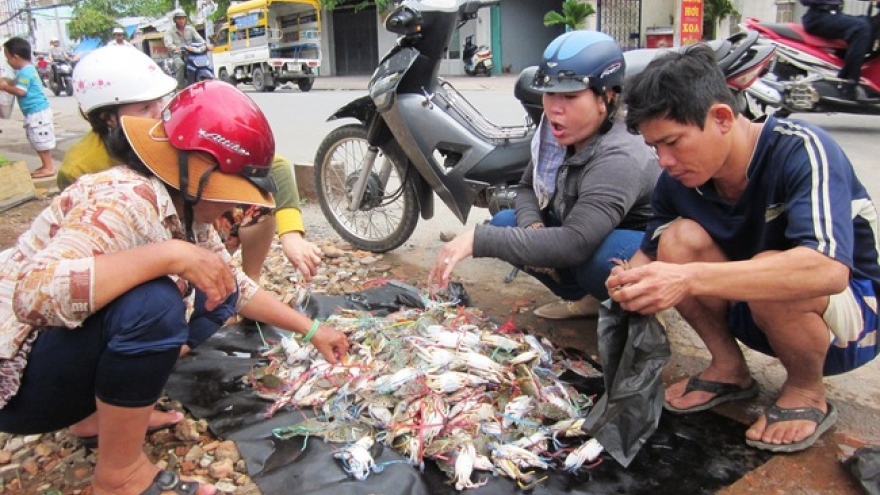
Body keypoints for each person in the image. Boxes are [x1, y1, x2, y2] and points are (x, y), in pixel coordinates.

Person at [0, 80, 350, 495]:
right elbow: (32, 294)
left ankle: (105, 415)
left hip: (57, 362)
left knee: (214, 286)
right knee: (155, 303)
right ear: (197, 171)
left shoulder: (182, 208)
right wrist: (167, 256)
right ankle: (119, 478)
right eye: (232, 191)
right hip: (20, 387)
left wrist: (312, 331)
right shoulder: (122, 198)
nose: (235, 208)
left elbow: (235, 285)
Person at [609, 43, 880, 453]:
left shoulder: (801, 149)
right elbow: (651, 252)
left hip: (850, 321)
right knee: (677, 241)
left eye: (673, 142)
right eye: (654, 148)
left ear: (720, 117)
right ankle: (728, 368)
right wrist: (629, 278)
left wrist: (686, 278)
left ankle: (807, 391)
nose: (663, 161)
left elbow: (827, 270)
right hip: (756, 313)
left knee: (777, 268)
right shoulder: (679, 179)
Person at [429, 31, 658, 320]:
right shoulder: (557, 131)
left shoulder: (620, 153)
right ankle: (591, 299)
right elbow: (526, 187)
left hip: (634, 245)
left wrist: (479, 239)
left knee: (597, 260)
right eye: (550, 94)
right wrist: (533, 227)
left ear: (606, 97)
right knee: (505, 223)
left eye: (571, 96)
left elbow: (575, 243)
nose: (554, 109)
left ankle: (636, 305)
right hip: (582, 232)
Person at [61, 46, 323, 283]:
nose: (158, 112)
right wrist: (168, 256)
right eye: (144, 107)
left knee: (255, 201)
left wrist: (291, 236)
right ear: (108, 118)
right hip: (131, 254)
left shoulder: (173, 130)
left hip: (193, 227)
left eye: (160, 101)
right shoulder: (81, 168)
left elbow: (273, 166)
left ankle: (246, 281)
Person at [0, 37, 57, 179]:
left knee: (40, 138)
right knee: (36, 138)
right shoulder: (28, 70)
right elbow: (19, 83)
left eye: (7, 57)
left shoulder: (24, 72)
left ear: (16, 57)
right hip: (35, 111)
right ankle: (46, 165)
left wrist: (5, 87)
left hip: (37, 112)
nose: (7, 61)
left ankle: (49, 167)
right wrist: (9, 81)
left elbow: (21, 91)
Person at [799, 0, 875, 100]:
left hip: (834, 14)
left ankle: (865, 76)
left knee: (872, 24)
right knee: (861, 28)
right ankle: (849, 82)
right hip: (818, 17)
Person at [164, 8, 208, 89]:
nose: (181, 20)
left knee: (203, 62)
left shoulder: (190, 29)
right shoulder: (169, 32)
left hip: (191, 54)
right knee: (181, 64)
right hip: (178, 56)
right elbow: (168, 44)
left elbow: (200, 39)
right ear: (175, 20)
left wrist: (205, 44)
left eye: (183, 18)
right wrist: (174, 47)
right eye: (179, 18)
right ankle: (180, 88)